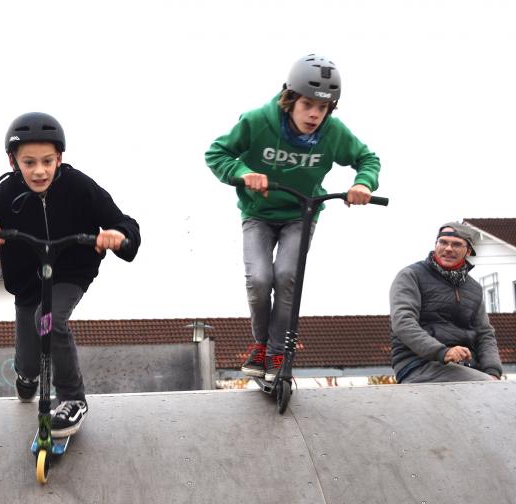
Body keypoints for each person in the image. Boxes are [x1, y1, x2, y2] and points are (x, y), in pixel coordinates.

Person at [0, 112, 140, 437]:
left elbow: (126, 226)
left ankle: (72, 399)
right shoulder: (5, 192)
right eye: (29, 162)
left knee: (49, 319)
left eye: (47, 161)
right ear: (14, 161)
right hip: (26, 281)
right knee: (27, 361)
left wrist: (118, 237)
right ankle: (27, 375)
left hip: (71, 272)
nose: (39, 171)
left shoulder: (79, 186)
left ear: (59, 158)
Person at [205, 54, 381, 381]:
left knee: (286, 276)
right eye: (307, 105)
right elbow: (217, 153)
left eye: (323, 108)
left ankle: (277, 352)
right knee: (259, 279)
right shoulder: (258, 121)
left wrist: (362, 183)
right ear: (290, 100)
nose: (315, 115)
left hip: (302, 214)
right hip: (257, 213)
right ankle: (260, 346)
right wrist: (243, 173)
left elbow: (367, 159)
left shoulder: (334, 132)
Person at [390, 222, 503, 383]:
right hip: (419, 365)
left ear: (468, 250)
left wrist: (492, 370)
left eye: (456, 244)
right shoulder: (411, 276)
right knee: (489, 388)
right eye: (443, 242)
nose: (448, 248)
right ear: (436, 245)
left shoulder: (474, 288)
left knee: (497, 389)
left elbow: (484, 334)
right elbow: (403, 322)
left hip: (465, 367)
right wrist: (442, 352)